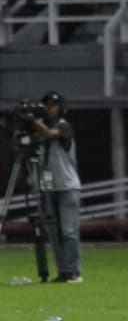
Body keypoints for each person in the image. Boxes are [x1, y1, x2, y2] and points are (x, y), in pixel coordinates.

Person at [27, 92, 82, 282]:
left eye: (53, 105)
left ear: (60, 107)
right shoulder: (38, 131)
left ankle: (73, 270)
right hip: (48, 186)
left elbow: (51, 135)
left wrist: (33, 121)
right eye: (47, 105)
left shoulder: (63, 125)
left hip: (67, 186)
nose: (50, 109)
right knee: (55, 233)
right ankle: (63, 271)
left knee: (69, 231)